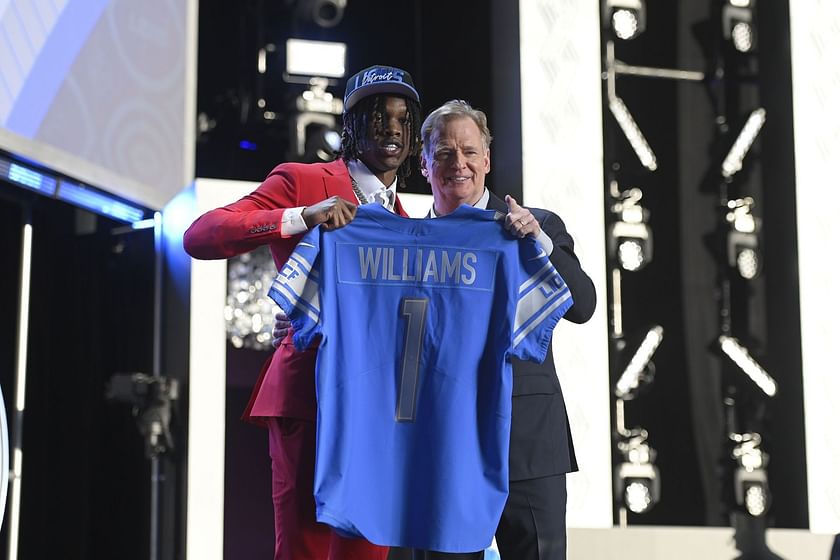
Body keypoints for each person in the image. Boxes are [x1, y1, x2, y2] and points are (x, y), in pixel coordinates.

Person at [273, 99, 596, 560]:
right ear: (423, 164)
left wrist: (538, 244)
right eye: (443, 153)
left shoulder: (533, 226)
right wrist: (302, 319)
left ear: (487, 160)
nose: (457, 163)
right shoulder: (393, 241)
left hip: (525, 443)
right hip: (441, 443)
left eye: (468, 152)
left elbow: (583, 305)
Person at [183, 64, 423, 560]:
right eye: (379, 118)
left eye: (402, 120)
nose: (392, 130)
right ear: (352, 126)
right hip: (308, 396)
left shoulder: (409, 223)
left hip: (378, 411)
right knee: (304, 552)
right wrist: (300, 218)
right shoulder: (304, 181)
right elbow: (201, 235)